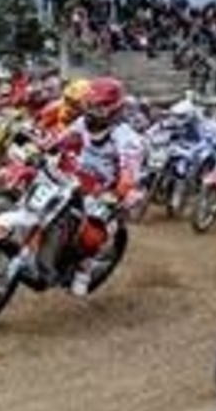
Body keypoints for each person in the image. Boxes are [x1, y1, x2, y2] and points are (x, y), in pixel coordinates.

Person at [43, 77, 144, 296]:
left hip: (105, 188)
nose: (90, 112)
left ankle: (84, 267)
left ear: (114, 110)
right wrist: (44, 147)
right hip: (77, 177)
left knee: (92, 234)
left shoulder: (127, 138)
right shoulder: (82, 122)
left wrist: (118, 193)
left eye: (98, 108)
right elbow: (61, 139)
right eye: (88, 104)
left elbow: (129, 174)